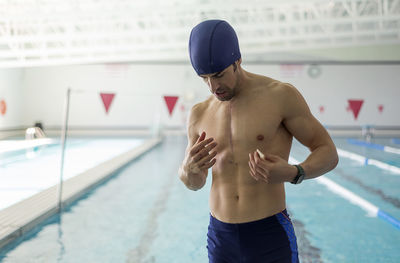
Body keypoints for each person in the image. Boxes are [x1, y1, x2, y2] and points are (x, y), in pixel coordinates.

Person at [179, 20, 338, 263]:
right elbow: (195, 183)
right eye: (205, 78)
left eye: (219, 75)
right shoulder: (199, 114)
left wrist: (295, 172)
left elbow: (328, 152)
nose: (213, 87)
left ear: (237, 61)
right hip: (221, 237)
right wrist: (187, 170)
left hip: (269, 232)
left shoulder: (279, 96)